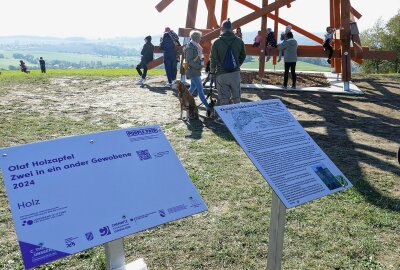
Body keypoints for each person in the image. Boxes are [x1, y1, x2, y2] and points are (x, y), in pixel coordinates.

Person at [210, 19, 246, 106]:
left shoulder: (216, 42)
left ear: (221, 28)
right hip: (235, 73)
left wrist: (212, 71)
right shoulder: (239, 41)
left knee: (223, 98)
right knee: (236, 98)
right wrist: (236, 65)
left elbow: (213, 59)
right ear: (232, 28)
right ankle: (237, 117)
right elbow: (243, 55)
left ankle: (225, 118)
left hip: (222, 74)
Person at [184, 30, 211, 116]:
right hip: (193, 71)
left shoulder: (195, 46)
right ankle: (208, 107)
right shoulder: (190, 47)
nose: (200, 38)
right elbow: (189, 61)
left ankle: (184, 101)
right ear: (196, 38)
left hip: (195, 70)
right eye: (199, 37)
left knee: (192, 88)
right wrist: (199, 66)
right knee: (200, 90)